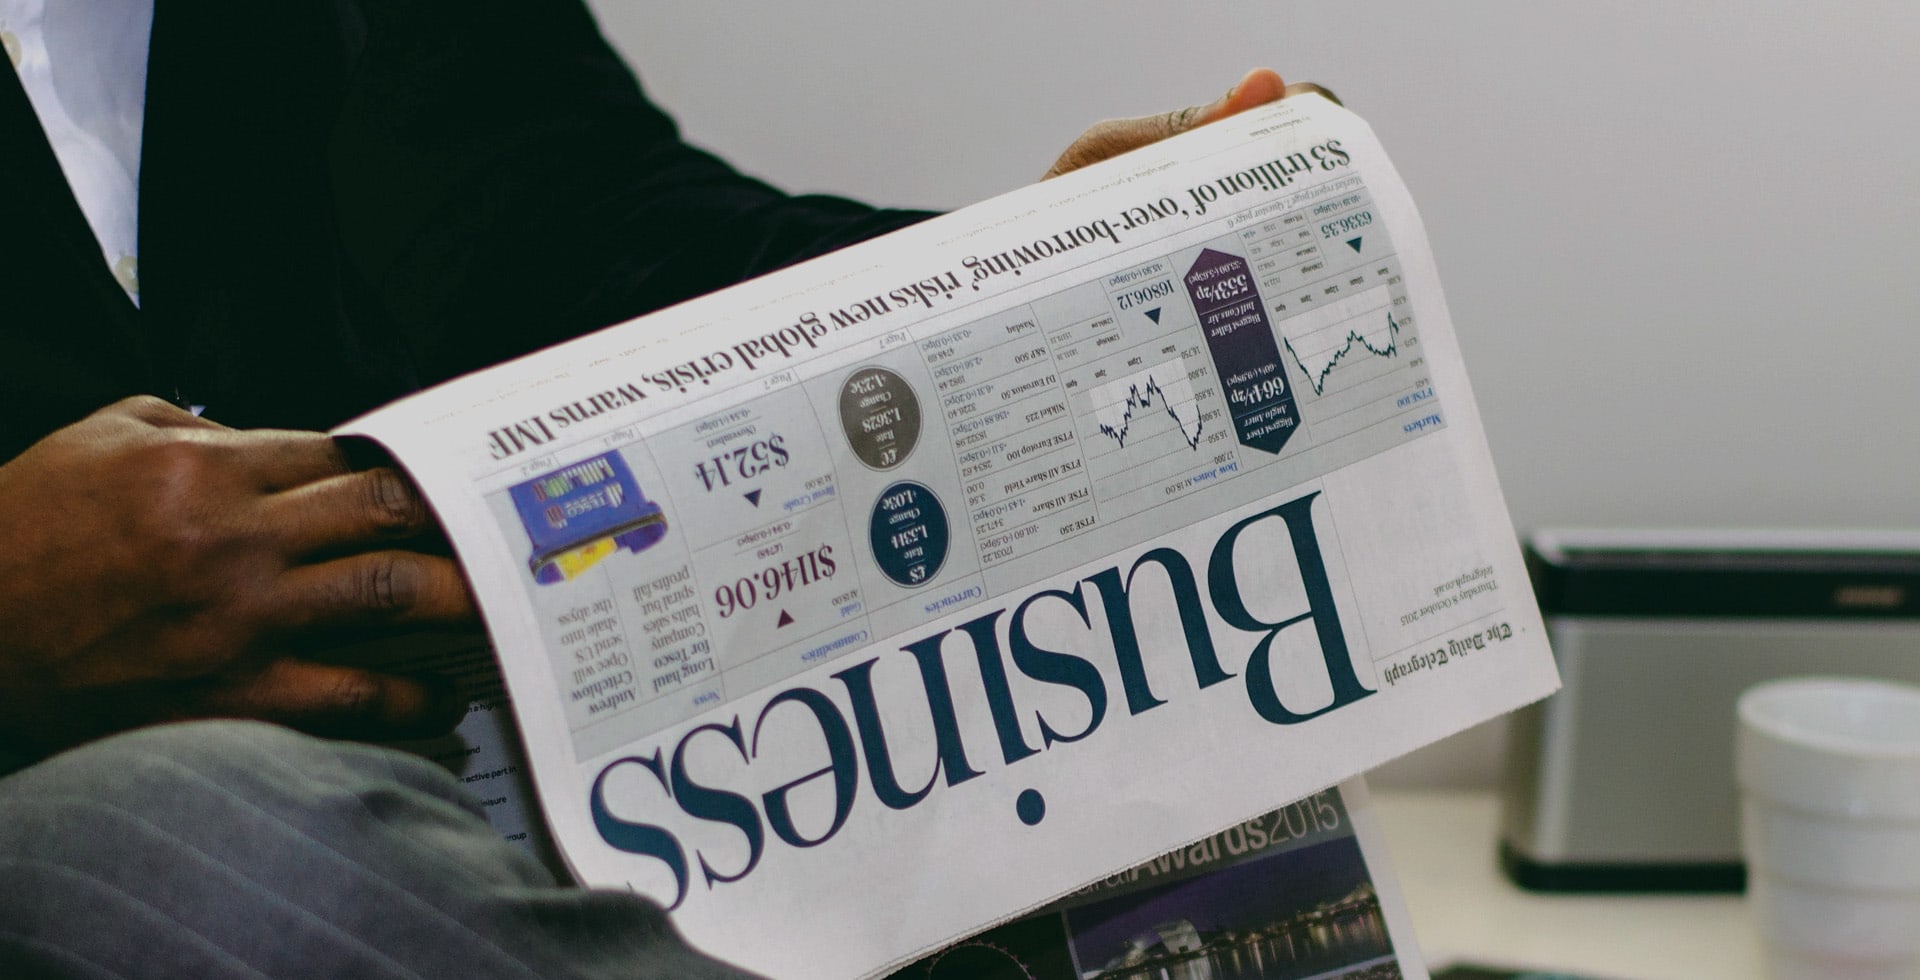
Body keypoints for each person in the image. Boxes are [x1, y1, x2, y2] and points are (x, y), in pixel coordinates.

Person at [0, 1, 1302, 975]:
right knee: (200, 844)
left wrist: (1012, 282)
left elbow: (585, 229)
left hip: (441, 828)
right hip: (186, 837)